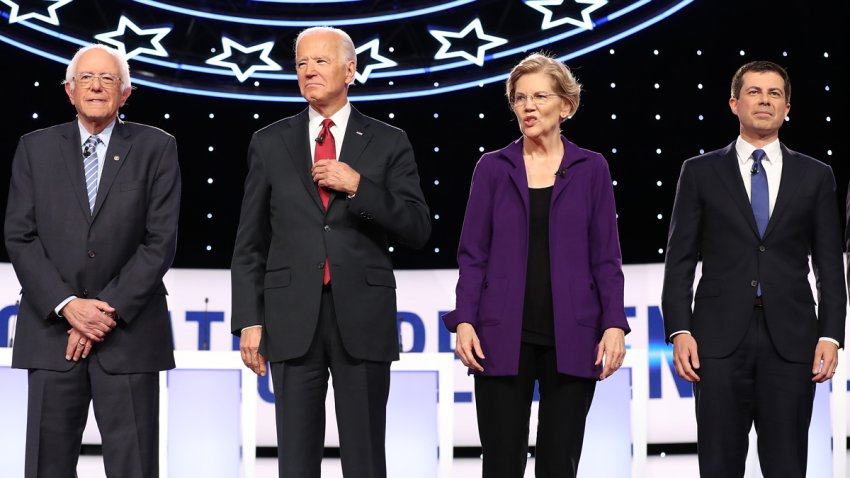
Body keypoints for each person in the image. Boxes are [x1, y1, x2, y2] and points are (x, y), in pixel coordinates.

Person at [230, 26, 431, 478]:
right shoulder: (269, 142)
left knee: (363, 458)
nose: (309, 71)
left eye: (320, 61)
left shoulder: (388, 140)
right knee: (295, 461)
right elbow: (249, 242)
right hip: (290, 318)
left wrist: (359, 186)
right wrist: (249, 319)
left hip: (361, 317)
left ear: (350, 70)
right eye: (301, 63)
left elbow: (418, 227)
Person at [442, 53, 629, 478]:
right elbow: (473, 254)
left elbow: (606, 257)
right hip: (499, 334)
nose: (528, 106)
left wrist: (614, 323)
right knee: (501, 463)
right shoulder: (492, 167)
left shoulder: (591, 167)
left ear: (565, 105)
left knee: (559, 465)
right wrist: (465, 320)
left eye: (540, 96)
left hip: (574, 334)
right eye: (520, 98)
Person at [661, 60, 846, 477]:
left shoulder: (816, 176)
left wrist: (831, 334)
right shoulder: (700, 171)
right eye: (754, 92)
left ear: (787, 108)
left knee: (786, 465)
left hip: (793, 341)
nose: (765, 100)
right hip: (718, 341)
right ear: (734, 103)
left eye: (775, 93)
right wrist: (680, 329)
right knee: (720, 464)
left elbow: (830, 264)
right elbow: (680, 259)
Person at [4, 43, 181, 477]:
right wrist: (68, 305)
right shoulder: (34, 148)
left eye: (108, 79)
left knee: (134, 467)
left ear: (125, 94)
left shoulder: (157, 147)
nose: (97, 86)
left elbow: (160, 241)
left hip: (128, 336)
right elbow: (19, 235)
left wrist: (103, 313)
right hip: (52, 335)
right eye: (87, 78)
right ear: (69, 90)